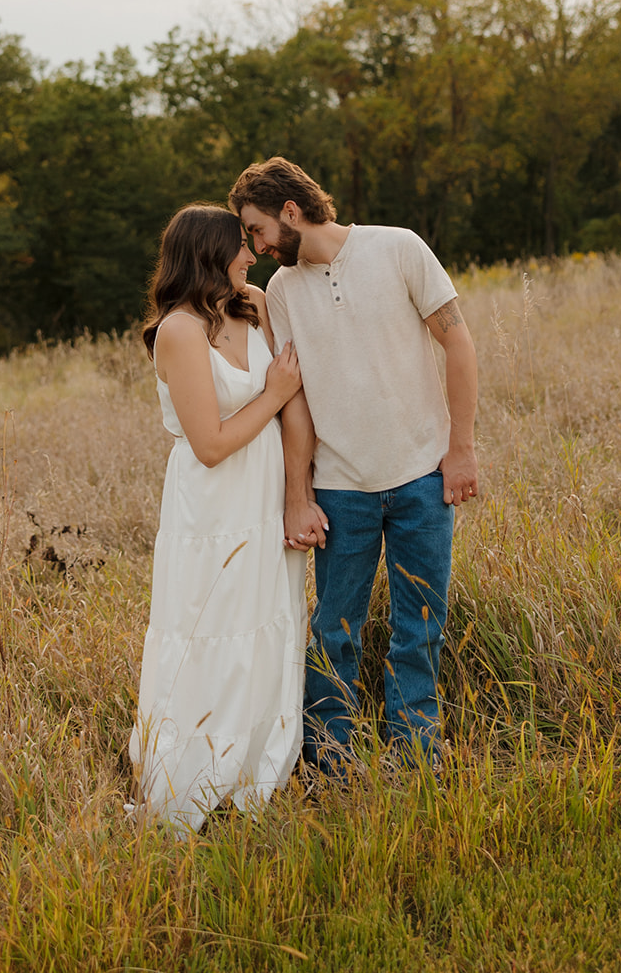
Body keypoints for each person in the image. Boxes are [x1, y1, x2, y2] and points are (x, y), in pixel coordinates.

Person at [229, 158, 478, 771]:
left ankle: (417, 759)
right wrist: (298, 492)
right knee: (333, 632)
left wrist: (462, 448)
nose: (257, 248)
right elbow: (297, 398)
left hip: (423, 475)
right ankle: (333, 763)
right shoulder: (282, 294)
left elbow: (459, 341)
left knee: (419, 625)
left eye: (258, 231)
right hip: (341, 491)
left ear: (291, 212)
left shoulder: (399, 249)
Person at [129, 204, 309, 831]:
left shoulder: (253, 303)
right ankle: (197, 780)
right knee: (213, 631)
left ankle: (258, 776)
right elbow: (209, 444)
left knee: (269, 622)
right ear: (208, 252)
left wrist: (298, 490)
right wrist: (276, 393)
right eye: (240, 245)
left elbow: (292, 406)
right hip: (211, 507)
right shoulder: (179, 330)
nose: (251, 253)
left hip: (264, 495)